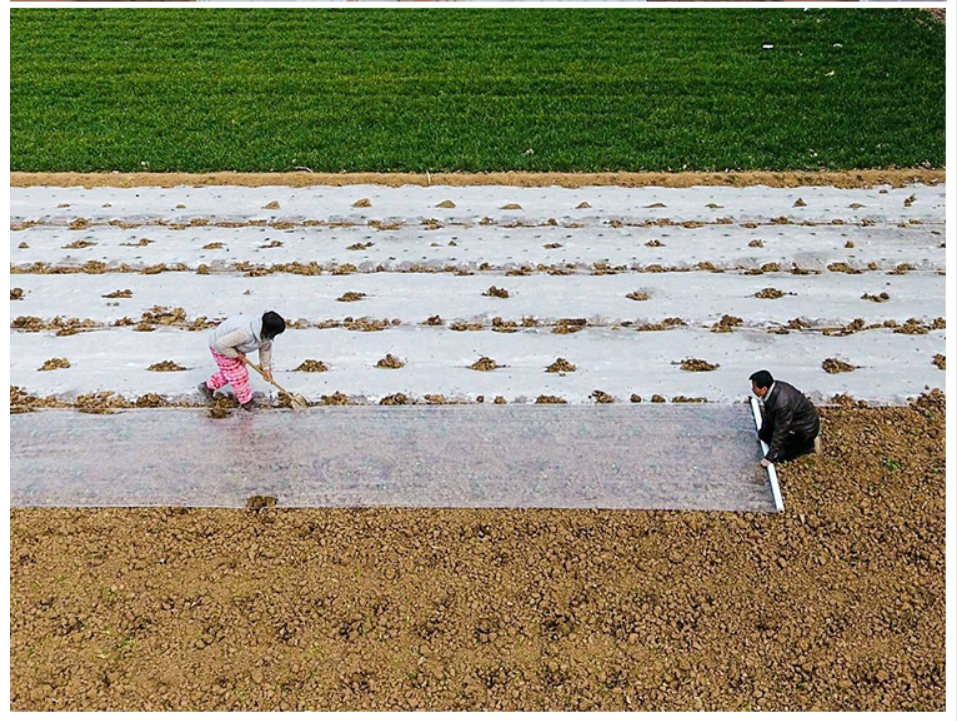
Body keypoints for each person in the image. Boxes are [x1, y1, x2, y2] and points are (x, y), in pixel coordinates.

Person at [198, 311, 285, 411]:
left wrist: (266, 368)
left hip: (233, 346)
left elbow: (265, 349)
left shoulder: (264, 333)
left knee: (231, 374)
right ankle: (246, 402)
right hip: (221, 348)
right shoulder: (245, 333)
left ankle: (207, 386)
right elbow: (220, 344)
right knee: (239, 375)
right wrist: (236, 355)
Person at [750, 370, 821, 467]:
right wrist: (763, 433)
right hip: (790, 421)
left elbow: (781, 430)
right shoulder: (772, 391)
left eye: (754, 387)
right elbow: (768, 414)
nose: (752, 389)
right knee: (765, 436)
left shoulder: (782, 404)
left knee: (780, 456)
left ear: (764, 389)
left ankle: (808, 444)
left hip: (804, 428)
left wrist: (769, 457)